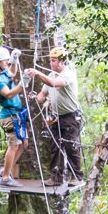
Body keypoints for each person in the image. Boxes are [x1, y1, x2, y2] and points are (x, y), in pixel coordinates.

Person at [25, 46, 83, 185]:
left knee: (71, 146)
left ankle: (76, 177)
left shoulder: (68, 74)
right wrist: (34, 99)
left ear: (62, 62)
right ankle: (55, 178)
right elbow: (43, 95)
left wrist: (38, 73)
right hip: (56, 117)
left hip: (70, 116)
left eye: (54, 60)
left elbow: (54, 84)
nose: (51, 63)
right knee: (55, 147)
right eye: (51, 60)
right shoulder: (51, 75)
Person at [0, 46, 29, 188]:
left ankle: (8, 170)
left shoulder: (3, 72)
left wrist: (14, 60)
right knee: (13, 146)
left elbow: (12, 72)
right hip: (9, 115)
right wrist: (24, 82)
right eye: (5, 61)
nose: (7, 63)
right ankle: (5, 177)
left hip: (17, 114)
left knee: (24, 144)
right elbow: (9, 94)